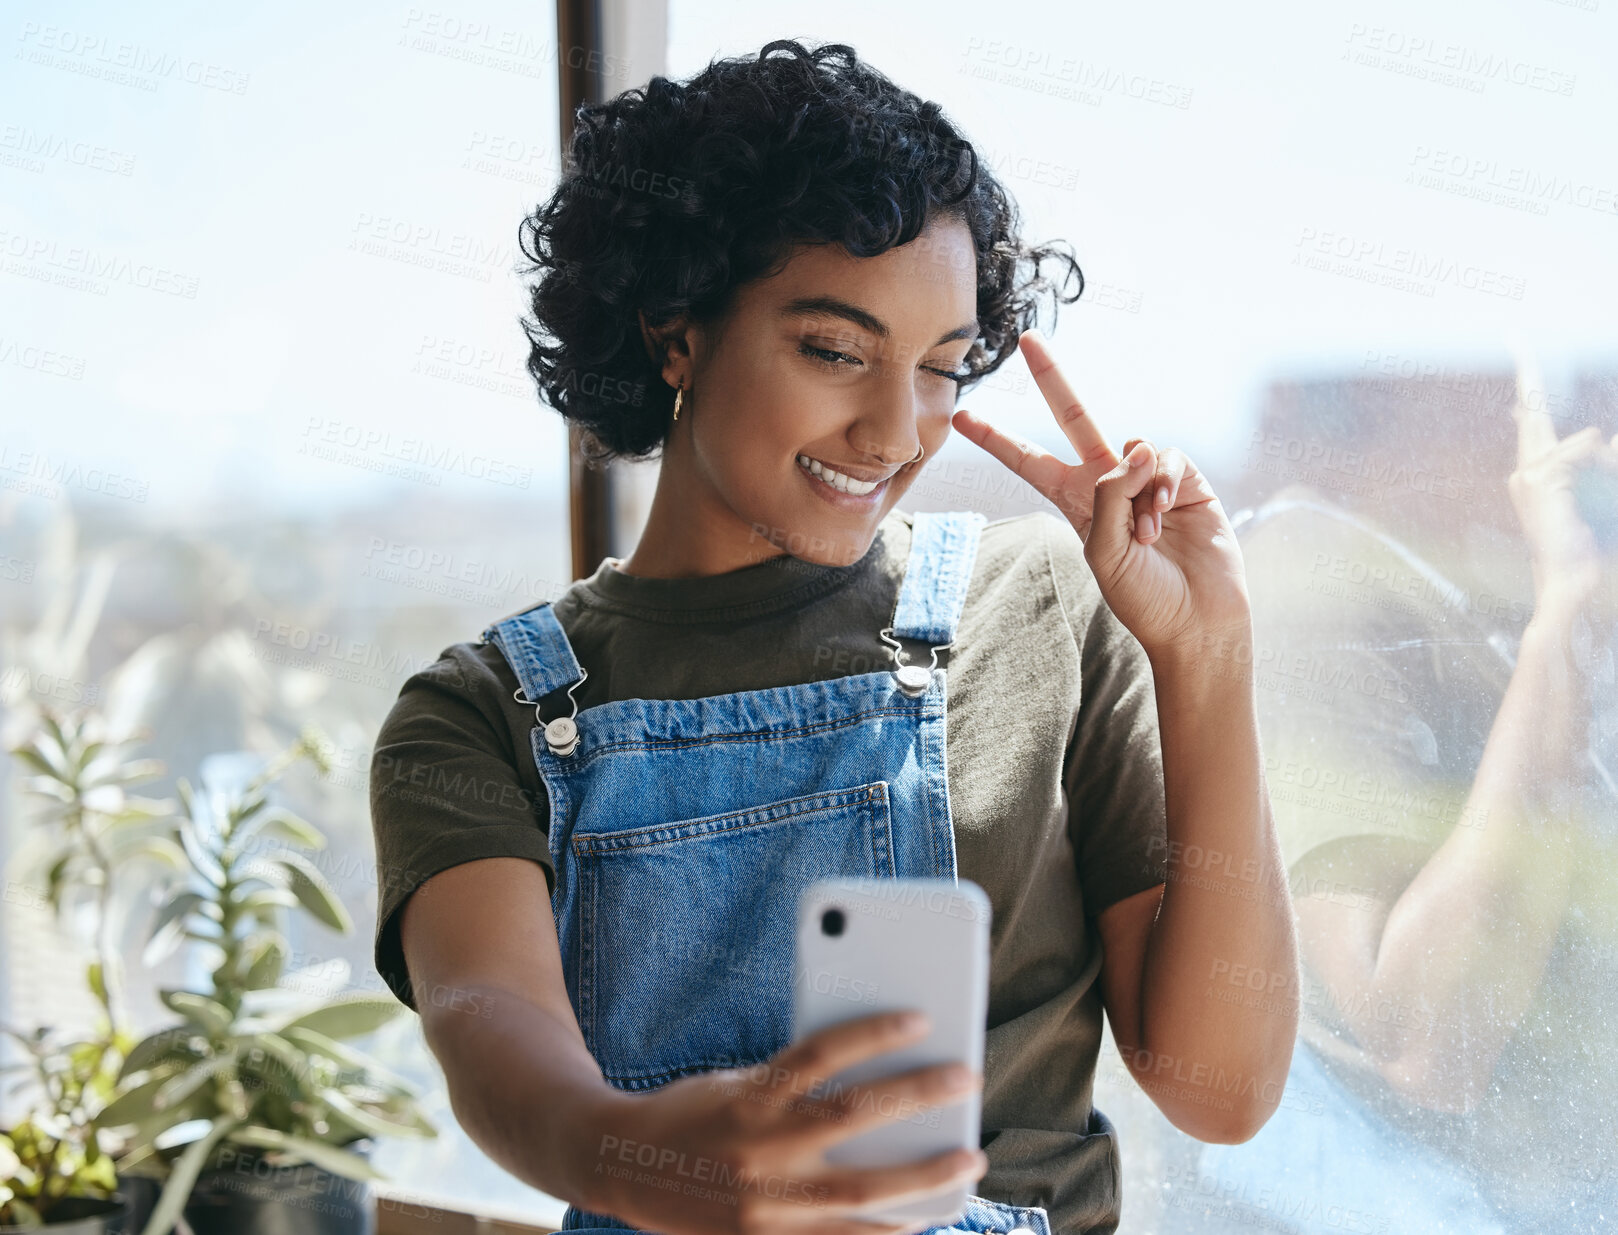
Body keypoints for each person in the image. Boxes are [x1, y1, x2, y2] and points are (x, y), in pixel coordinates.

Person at [368, 39, 1297, 1235]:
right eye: (835, 351)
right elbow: (497, 1044)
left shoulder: (1045, 609)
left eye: (942, 369)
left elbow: (1220, 1092)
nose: (895, 431)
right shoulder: (479, 714)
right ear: (675, 332)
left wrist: (1205, 654)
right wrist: (650, 1159)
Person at [1187, 367, 1618, 1233]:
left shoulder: (1485, 592)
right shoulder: (1321, 579)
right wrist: (1566, 617)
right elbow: (1426, 1036)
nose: (1591, 408)